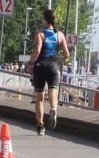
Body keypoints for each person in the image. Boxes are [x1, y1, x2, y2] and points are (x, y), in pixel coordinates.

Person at [30, 8, 73, 136]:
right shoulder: (60, 35)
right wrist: (64, 59)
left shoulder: (40, 34)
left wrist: (30, 62)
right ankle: (53, 109)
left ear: (45, 20)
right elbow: (66, 54)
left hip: (40, 66)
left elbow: (37, 51)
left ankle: (40, 126)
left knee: (40, 98)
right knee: (52, 93)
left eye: (43, 18)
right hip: (53, 66)